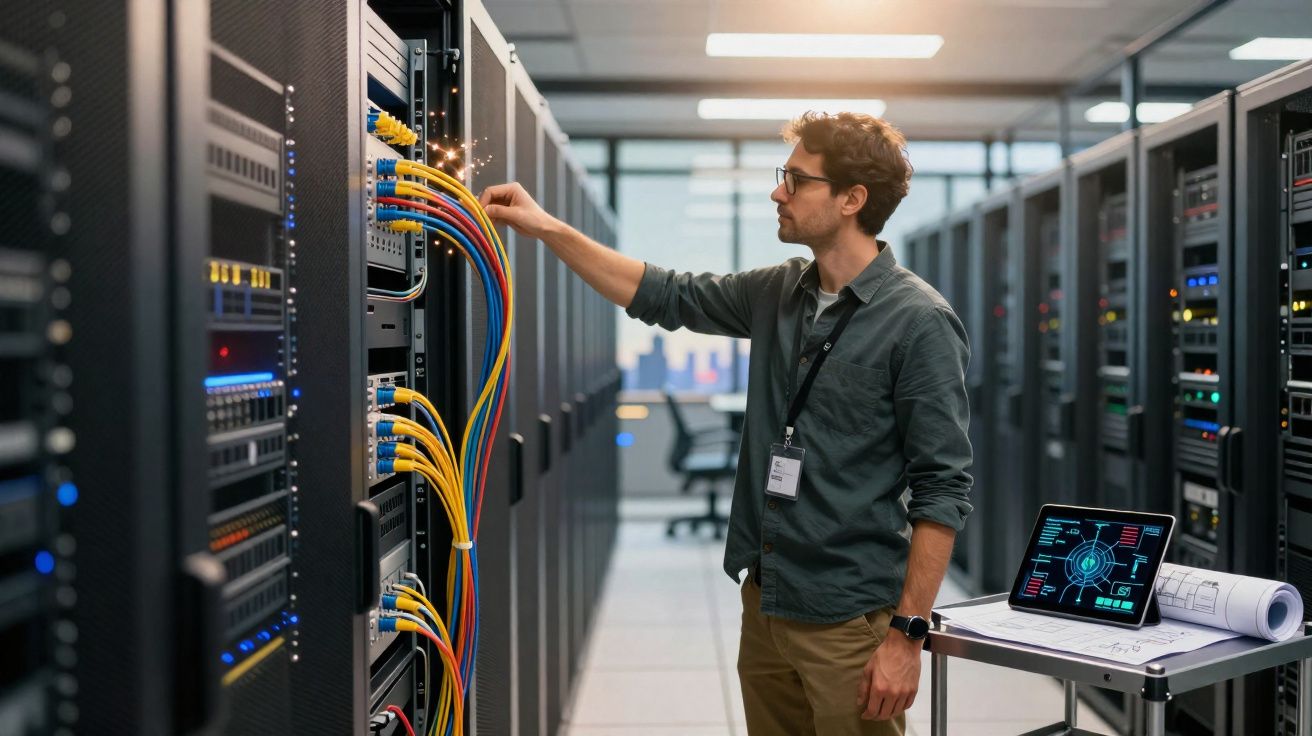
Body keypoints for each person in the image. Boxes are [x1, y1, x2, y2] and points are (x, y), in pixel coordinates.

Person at [479, 111, 972, 736]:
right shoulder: (778, 291)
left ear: (852, 199)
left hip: (848, 616)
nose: (777, 192)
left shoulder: (919, 321)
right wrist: (544, 227)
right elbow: (661, 293)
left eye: (795, 179)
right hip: (765, 598)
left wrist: (906, 637)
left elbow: (942, 488)